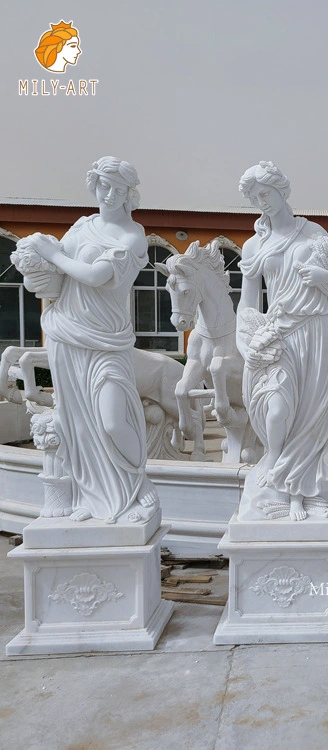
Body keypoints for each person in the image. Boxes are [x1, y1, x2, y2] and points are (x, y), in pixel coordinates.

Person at [19, 157, 157, 524]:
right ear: (93, 186)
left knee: (112, 420)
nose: (109, 195)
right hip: (66, 332)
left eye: (118, 188)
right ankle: (90, 498)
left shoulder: (133, 234)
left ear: (130, 194)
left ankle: (138, 488)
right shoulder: (81, 227)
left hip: (106, 340)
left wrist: (49, 252)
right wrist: (35, 269)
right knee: (78, 422)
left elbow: (96, 276)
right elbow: (59, 277)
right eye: (103, 185)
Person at [237, 162, 328, 521]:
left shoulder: (312, 232)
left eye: (266, 193)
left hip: (316, 331)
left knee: (312, 414)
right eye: (255, 198)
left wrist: (322, 274)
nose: (262, 202)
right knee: (277, 408)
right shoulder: (255, 245)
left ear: (282, 191)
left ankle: (302, 488)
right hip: (278, 335)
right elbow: (247, 301)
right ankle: (273, 460)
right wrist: (247, 341)